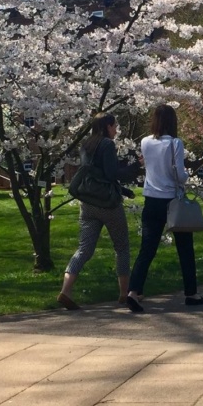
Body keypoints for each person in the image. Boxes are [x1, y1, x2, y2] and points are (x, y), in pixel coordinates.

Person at [126, 104, 203, 313]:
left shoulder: (145, 142)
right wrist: (187, 176)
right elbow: (179, 174)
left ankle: (133, 291)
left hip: (151, 199)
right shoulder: (175, 143)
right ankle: (191, 293)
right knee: (185, 248)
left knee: (147, 248)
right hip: (172, 201)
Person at [57, 112, 142, 310]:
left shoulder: (86, 145)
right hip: (108, 204)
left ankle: (65, 291)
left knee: (84, 249)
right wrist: (136, 166)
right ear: (107, 126)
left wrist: (124, 191)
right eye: (114, 126)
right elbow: (112, 174)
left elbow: (97, 174)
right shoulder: (107, 144)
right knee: (121, 247)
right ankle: (124, 293)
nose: (116, 130)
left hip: (88, 203)